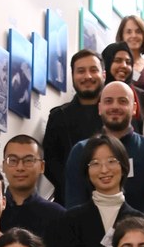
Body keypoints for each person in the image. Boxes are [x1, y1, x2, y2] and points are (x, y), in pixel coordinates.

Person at [52, 134, 144, 247]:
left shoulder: (139, 221)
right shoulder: (70, 220)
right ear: (87, 171)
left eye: (111, 161)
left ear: (123, 167)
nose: (104, 169)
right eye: (95, 163)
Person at [63, 81, 144, 215]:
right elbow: (74, 206)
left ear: (134, 108)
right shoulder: (80, 151)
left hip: (141, 233)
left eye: (122, 101)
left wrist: (131, 234)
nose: (115, 106)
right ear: (100, 108)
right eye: (108, 101)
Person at [42, 50, 105, 200]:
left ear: (104, 74)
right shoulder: (58, 116)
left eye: (93, 70)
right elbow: (50, 162)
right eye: (81, 71)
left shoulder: (117, 114)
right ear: (72, 76)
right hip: (69, 201)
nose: (87, 76)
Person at [0, 134, 66, 236]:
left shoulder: (58, 215)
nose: (20, 167)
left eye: (28, 160)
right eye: (13, 160)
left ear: (42, 167)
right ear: (3, 165)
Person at [101, 41, 144, 118]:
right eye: (118, 60)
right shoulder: (97, 95)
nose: (124, 65)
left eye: (128, 62)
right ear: (107, 63)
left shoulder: (141, 96)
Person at [115, 14, 144, 88]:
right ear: (122, 36)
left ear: (143, 35)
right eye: (129, 32)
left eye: (138, 32)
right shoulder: (113, 67)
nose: (134, 35)